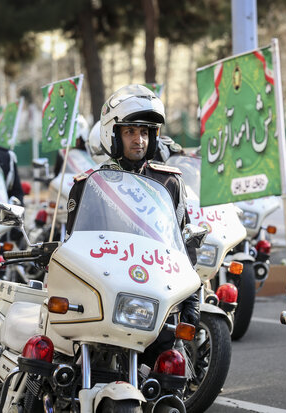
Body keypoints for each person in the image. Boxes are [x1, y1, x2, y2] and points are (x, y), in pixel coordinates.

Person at [66, 84, 199, 366]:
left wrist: (191, 301)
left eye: (145, 132)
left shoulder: (169, 182)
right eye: (130, 131)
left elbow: (183, 246)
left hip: (154, 300)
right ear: (113, 134)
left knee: (172, 372)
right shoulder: (91, 183)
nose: (139, 139)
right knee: (66, 366)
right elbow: (72, 248)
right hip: (105, 299)